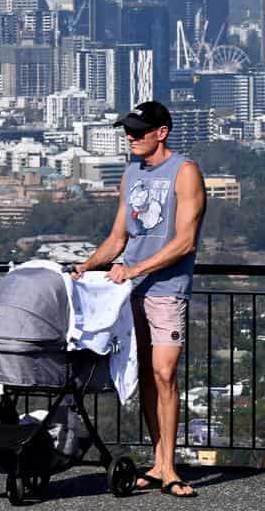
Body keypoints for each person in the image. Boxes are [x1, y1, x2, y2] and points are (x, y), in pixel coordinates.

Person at [70, 101, 206, 499]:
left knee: (165, 374)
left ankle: (171, 466)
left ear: (161, 132)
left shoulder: (185, 171)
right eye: (127, 131)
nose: (130, 137)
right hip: (129, 291)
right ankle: (159, 462)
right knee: (146, 374)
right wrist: (86, 266)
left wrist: (135, 269)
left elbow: (185, 241)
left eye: (138, 131)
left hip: (165, 290)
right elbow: (118, 238)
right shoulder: (131, 174)